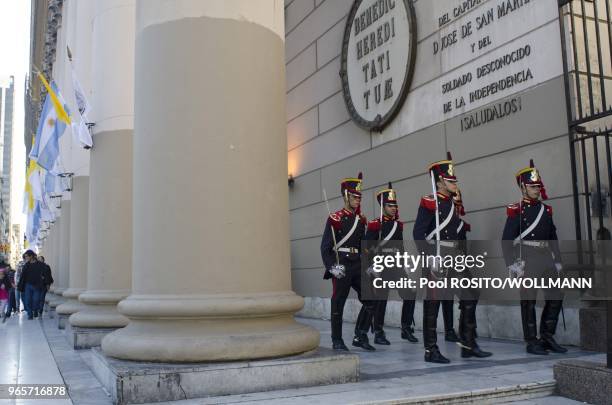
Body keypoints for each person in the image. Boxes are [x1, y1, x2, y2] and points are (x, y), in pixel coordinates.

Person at [413, 152, 492, 363]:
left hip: (454, 255)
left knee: (471, 294)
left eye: (454, 180)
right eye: (450, 180)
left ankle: (468, 343)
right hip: (436, 255)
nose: (454, 183)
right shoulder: (430, 202)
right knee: (433, 302)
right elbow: (418, 234)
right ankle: (430, 349)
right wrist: (430, 258)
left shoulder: (452, 204)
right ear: (439, 182)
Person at [502, 160, 566, 355]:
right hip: (527, 259)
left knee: (556, 295)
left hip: (546, 257)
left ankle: (547, 336)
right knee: (528, 301)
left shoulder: (546, 210)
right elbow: (506, 239)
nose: (536, 189)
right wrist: (512, 265)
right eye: (532, 186)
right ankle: (531, 340)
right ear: (523, 187)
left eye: (538, 186)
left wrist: (558, 260)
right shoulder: (517, 210)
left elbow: (553, 236)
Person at [321, 172, 375, 351]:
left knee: (371, 297)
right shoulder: (335, 218)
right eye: (354, 196)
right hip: (341, 263)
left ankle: (360, 335)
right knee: (338, 301)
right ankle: (337, 340)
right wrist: (331, 267)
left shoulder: (361, 220)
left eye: (359, 196)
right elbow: (325, 247)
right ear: (346, 196)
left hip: (358, 263)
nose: (357, 200)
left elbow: (364, 246)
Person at [363, 183, 418, 345]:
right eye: (390, 205)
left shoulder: (397, 225)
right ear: (383, 206)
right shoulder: (375, 225)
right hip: (380, 265)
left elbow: (399, 247)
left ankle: (406, 328)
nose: (393, 208)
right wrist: (371, 266)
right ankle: (378, 332)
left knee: (410, 293)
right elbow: (366, 248)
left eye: (395, 205)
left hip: (396, 265)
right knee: (381, 299)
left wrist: (404, 263)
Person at [17, 250, 45, 320]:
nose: (26, 258)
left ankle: (35, 310)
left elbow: (45, 273)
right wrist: (20, 285)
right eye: (25, 257)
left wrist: (44, 280)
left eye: (27, 256)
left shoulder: (40, 265)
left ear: (31, 256)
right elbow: (22, 276)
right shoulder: (26, 265)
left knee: (36, 300)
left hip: (37, 285)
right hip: (28, 285)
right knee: (28, 300)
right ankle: (30, 314)